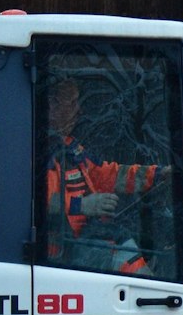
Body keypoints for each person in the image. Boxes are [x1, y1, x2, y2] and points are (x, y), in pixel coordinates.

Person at [41, 78, 169, 275]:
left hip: (87, 240)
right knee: (126, 257)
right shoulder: (34, 151)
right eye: (72, 103)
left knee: (138, 243)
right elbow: (38, 200)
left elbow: (109, 175)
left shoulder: (69, 149)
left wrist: (156, 175)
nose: (78, 111)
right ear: (52, 105)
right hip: (60, 255)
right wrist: (83, 205)